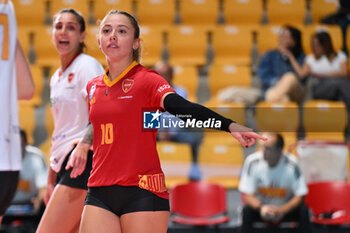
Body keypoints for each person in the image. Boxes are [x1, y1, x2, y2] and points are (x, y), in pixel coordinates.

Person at [66, 10, 266, 233]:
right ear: (99, 40)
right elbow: (99, 123)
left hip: (141, 191)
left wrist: (228, 125)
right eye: (107, 30)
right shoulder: (93, 85)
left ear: (135, 43)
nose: (113, 35)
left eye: (121, 31)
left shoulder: (148, 81)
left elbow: (183, 109)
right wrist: (84, 144)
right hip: (99, 190)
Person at [35, 9, 104, 233]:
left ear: (82, 36)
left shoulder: (86, 65)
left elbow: (104, 111)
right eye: (58, 26)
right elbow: (61, 130)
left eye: (71, 27)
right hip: (64, 162)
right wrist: (51, 175)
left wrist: (84, 145)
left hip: (84, 160)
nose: (63, 32)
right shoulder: (56, 77)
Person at [0, 0, 35, 225]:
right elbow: (26, 90)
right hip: (7, 159)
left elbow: (25, 90)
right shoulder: (7, 10)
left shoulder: (7, 10)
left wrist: (9, 36)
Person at [239, 132, 312, 233]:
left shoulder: (292, 164)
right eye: (261, 147)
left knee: (303, 211)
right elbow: (248, 195)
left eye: (268, 148)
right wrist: (262, 208)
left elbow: (301, 195)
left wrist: (282, 210)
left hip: (285, 209)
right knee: (246, 211)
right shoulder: (252, 162)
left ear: (279, 150)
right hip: (262, 209)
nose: (263, 151)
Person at [154, 61, 202, 180]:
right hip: (155, 132)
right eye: (159, 74)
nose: (162, 77)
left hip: (176, 131)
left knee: (193, 140)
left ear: (171, 75)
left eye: (165, 74)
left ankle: (192, 172)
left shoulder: (180, 92)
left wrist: (171, 133)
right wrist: (160, 132)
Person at [258, 25, 306, 103]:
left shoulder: (301, 56)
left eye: (285, 36)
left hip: (295, 91)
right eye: (281, 35)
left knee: (289, 77)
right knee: (285, 99)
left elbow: (301, 77)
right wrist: (277, 82)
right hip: (275, 88)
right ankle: (274, 98)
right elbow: (264, 75)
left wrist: (290, 56)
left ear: (294, 41)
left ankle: (270, 97)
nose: (281, 38)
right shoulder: (270, 54)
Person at [9, 129, 47, 213]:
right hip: (5, 205)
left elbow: (43, 188)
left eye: (19, 145)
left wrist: (39, 200)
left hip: (30, 204)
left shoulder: (36, 157)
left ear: (26, 143)